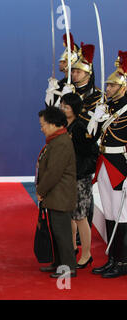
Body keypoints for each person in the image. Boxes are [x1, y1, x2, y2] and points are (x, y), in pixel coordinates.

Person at [88, 50, 127, 278]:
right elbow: (90, 136)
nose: (108, 89)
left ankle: (123, 261)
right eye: (108, 85)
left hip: (120, 167)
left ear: (123, 88)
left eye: (112, 86)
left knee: (122, 216)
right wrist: (96, 117)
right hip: (104, 163)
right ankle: (113, 258)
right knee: (110, 213)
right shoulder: (108, 109)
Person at [36, 106, 77, 278]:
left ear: (53, 124)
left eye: (43, 124)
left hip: (60, 195)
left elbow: (54, 172)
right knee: (56, 232)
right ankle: (59, 263)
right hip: (55, 195)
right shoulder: (56, 140)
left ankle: (68, 267)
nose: (41, 128)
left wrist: (40, 190)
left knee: (62, 233)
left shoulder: (61, 143)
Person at [60, 93, 98, 268]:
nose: (62, 109)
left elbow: (91, 152)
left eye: (66, 107)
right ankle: (73, 247)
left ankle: (87, 254)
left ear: (74, 109)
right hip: (67, 177)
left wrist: (81, 171)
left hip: (80, 179)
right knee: (70, 215)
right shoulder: (64, 125)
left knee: (81, 217)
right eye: (61, 105)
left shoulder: (80, 127)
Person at [45, 33, 79, 108]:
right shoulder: (60, 83)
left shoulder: (75, 84)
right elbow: (49, 107)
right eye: (60, 61)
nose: (60, 63)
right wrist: (50, 92)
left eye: (64, 61)